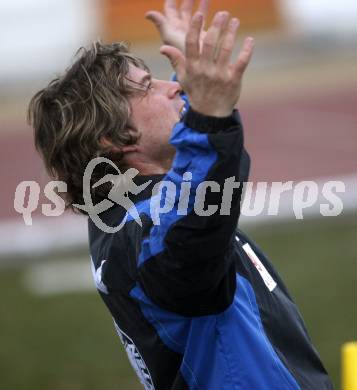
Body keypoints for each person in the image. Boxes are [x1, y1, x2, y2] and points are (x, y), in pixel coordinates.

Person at [28, 0, 333, 388]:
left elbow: (201, 164)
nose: (174, 88)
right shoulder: (148, 229)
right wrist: (208, 114)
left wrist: (196, 76)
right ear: (112, 137)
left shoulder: (127, 215)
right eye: (147, 87)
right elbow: (193, 223)